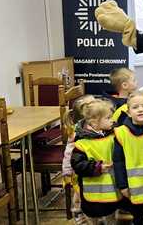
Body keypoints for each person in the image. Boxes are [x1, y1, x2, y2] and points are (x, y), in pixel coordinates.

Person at [113, 91, 143, 225]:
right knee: (138, 218)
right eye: (135, 107)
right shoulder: (121, 133)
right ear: (128, 113)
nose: (140, 109)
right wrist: (122, 185)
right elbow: (118, 162)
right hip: (132, 186)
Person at [71, 99, 120, 224]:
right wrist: (97, 167)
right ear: (94, 123)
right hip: (92, 190)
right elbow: (77, 164)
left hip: (111, 187)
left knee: (110, 214)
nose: (112, 121)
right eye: (108, 118)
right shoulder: (82, 143)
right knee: (92, 216)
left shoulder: (112, 134)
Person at [61, 94, 95, 224]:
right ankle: (80, 218)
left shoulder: (96, 127)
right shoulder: (77, 132)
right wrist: (67, 172)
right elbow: (68, 153)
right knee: (79, 197)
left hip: (90, 170)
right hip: (78, 172)